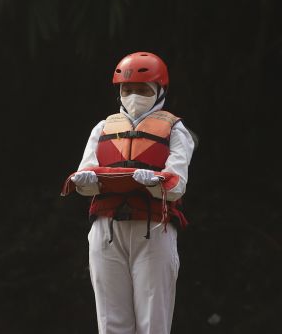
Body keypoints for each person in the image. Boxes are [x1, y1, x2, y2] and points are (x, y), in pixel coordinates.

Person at [68, 52, 195, 333]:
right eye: (128, 89)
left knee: (153, 319)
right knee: (111, 319)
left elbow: (177, 185)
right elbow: (85, 177)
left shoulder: (175, 130)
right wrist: (86, 180)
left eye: (142, 89)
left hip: (153, 226)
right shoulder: (102, 128)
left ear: (159, 91)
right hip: (107, 229)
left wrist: (154, 182)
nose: (134, 95)